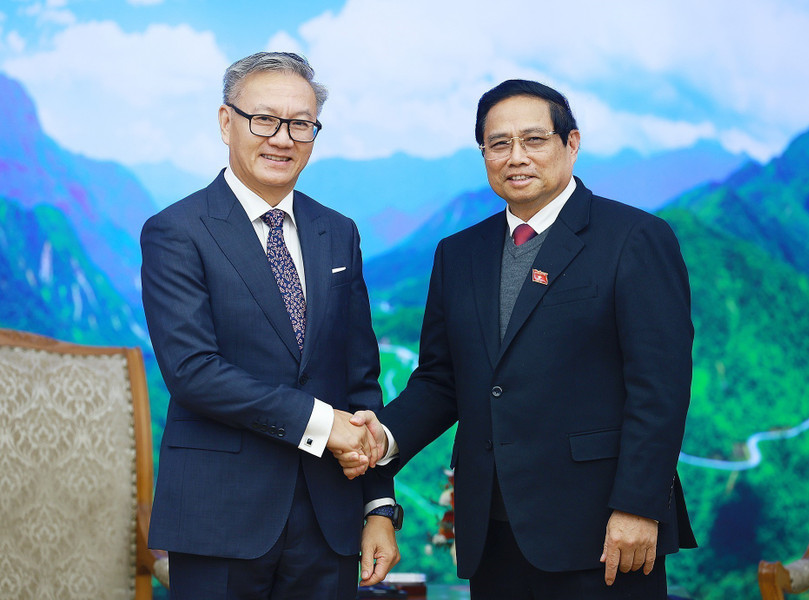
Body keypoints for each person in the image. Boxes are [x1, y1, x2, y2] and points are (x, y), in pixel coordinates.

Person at [340, 79, 696, 599]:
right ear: (483, 153)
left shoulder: (635, 238)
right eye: (498, 143)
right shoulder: (458, 253)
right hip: (492, 527)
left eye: (534, 140)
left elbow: (660, 388)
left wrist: (638, 505)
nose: (516, 157)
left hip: (603, 529)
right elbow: (442, 380)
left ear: (571, 143)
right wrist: (382, 438)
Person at [141, 52, 399, 600]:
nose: (282, 138)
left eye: (300, 124)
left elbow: (361, 380)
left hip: (330, 519)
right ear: (225, 121)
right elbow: (193, 371)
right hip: (219, 517)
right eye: (264, 119)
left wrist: (379, 505)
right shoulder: (176, 231)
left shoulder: (339, 232)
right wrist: (324, 426)